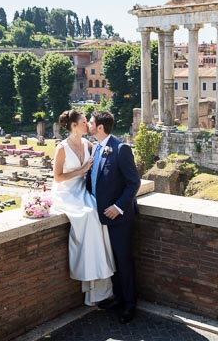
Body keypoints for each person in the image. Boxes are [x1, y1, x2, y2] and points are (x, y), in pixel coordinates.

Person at [51, 110, 115, 306]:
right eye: (84, 121)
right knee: (88, 216)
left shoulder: (88, 144)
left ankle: (101, 278)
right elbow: (58, 177)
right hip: (66, 193)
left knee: (97, 214)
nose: (87, 124)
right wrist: (81, 170)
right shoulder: (61, 148)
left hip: (83, 191)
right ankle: (86, 271)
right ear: (73, 125)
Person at [87, 111, 141, 324]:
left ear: (100, 127)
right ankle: (118, 298)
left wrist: (118, 207)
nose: (88, 126)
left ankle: (129, 304)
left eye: (91, 122)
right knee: (112, 260)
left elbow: (133, 182)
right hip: (98, 218)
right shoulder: (96, 148)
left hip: (119, 218)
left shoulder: (121, 149)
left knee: (124, 260)